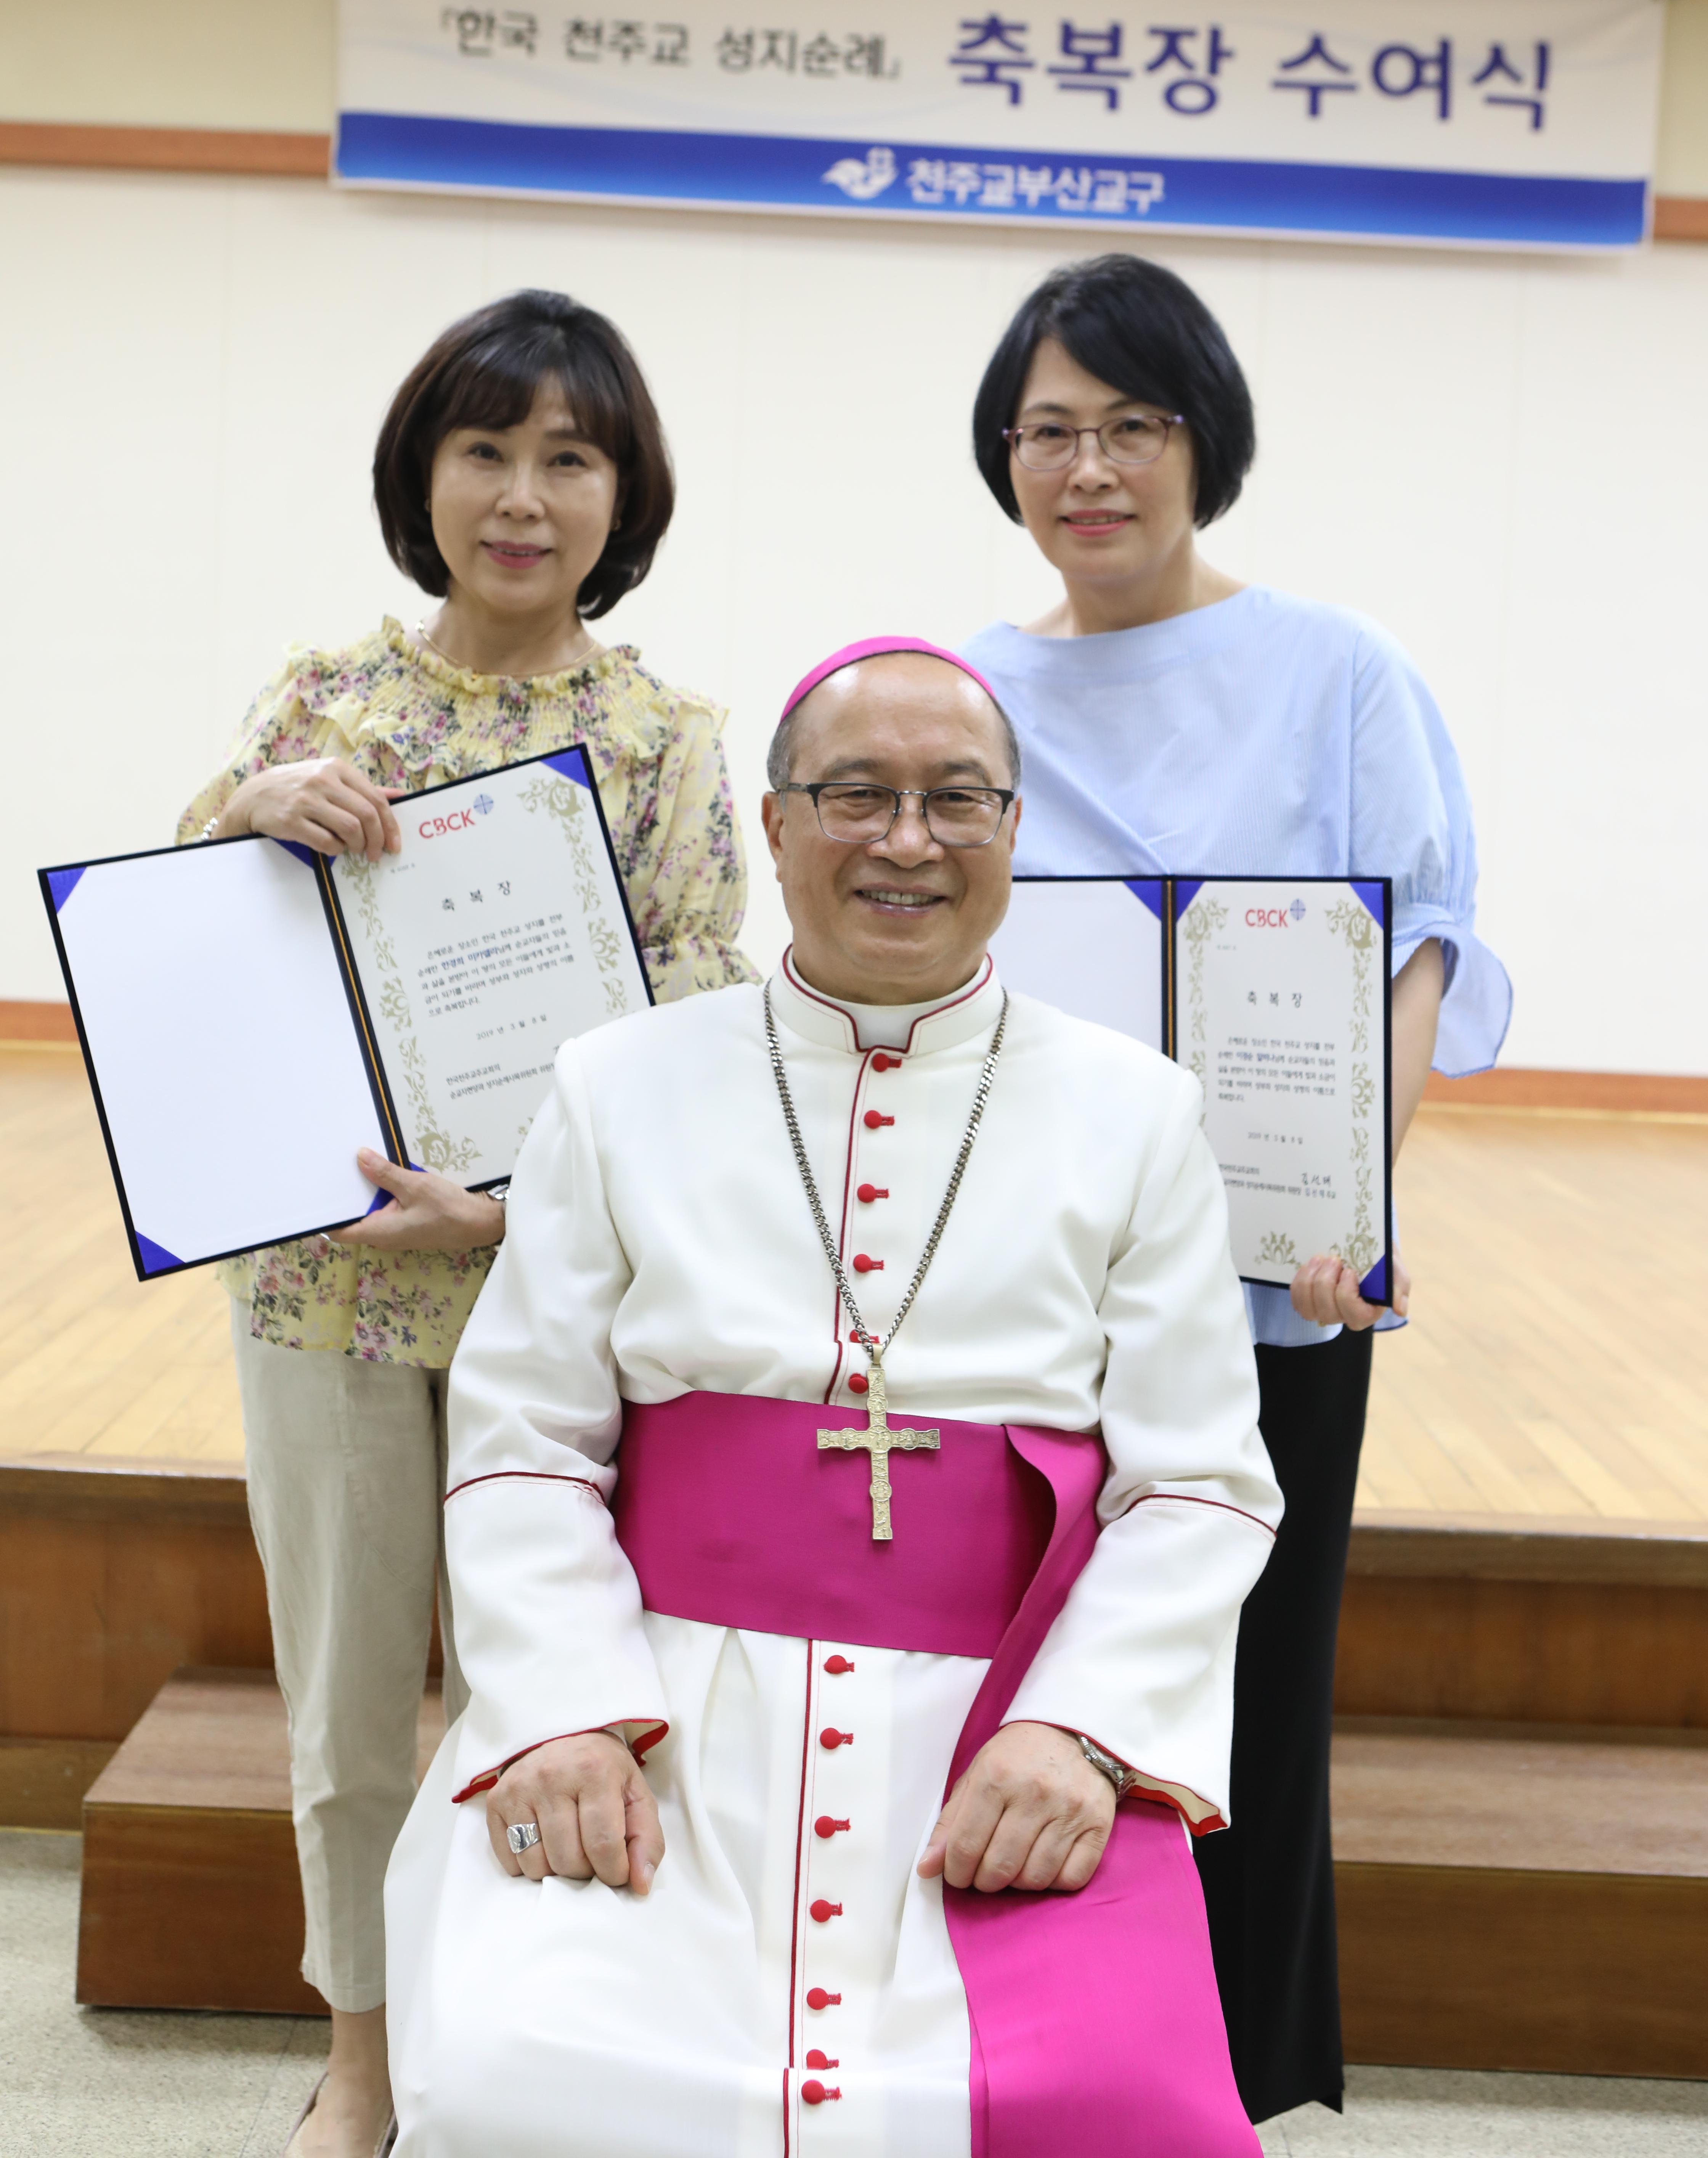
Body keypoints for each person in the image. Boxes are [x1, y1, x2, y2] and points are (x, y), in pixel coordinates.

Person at [384, 635, 1282, 2158]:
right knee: (515, 2073)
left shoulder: (1137, 1113)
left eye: (957, 800)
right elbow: (525, 1443)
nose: (906, 841)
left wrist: (1078, 1733)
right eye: (856, 794)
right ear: (779, 821)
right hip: (662, 1703)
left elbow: (1198, 1481)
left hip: (993, 1725)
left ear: (1014, 828)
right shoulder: (616, 1083)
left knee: (1113, 2109)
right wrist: (564, 1715)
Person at [177, 289, 755, 2158]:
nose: (523, 496)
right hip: (327, 1293)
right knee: (349, 1721)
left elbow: (688, 1028)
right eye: (485, 449)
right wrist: (239, 807)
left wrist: (503, 1216)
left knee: (556, 1693)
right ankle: (362, 2063)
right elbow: (190, 961)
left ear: (623, 492)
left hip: (551, 1302)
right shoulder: (317, 701)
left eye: (568, 458)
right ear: (422, 474)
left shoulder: (665, 741)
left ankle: (514, 2045)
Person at [959, 253, 1511, 2124]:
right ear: (1003, 455)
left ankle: (1229, 2096)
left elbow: (1417, 948)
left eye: (1133, 425)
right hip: (1017, 1295)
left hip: (1274, 1288)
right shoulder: (969, 688)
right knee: (1021, 1686)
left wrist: (1354, 1204)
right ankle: (1029, 2081)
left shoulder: (1338, 668)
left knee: (1245, 1712)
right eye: (1050, 431)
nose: (1088, 468)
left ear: (1206, 443)